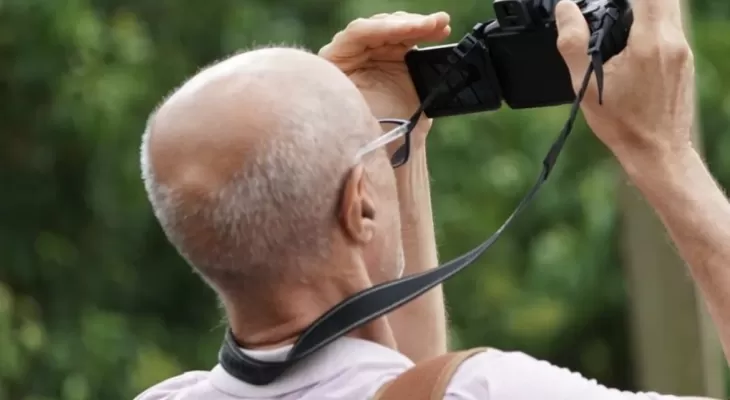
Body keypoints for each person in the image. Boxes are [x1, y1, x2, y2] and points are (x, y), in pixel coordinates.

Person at [135, 0, 728, 398]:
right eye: (379, 146)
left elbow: (393, 382)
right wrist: (664, 154)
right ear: (360, 207)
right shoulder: (498, 389)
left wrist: (401, 138)